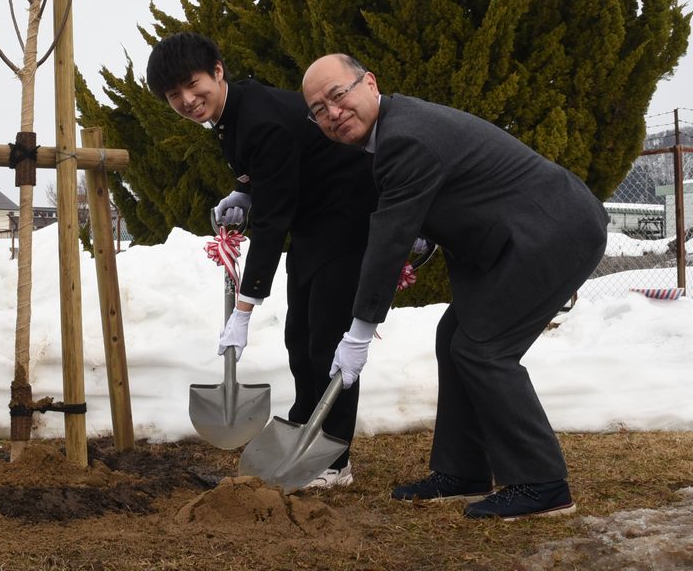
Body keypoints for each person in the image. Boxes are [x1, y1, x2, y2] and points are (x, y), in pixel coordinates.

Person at [301, 53, 609, 520]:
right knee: (454, 338)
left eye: (338, 96)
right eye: (318, 110)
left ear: (369, 82)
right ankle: (462, 471)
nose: (332, 114)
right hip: (513, 236)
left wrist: (359, 332)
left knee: (484, 349)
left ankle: (542, 484)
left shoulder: (403, 137)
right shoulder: (395, 131)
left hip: (551, 232)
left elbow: (387, 242)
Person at [146, 33, 376, 487]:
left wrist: (244, 309)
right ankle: (305, 436)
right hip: (315, 221)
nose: (188, 100)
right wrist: (246, 189)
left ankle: (334, 460)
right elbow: (275, 174)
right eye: (174, 95)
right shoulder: (234, 115)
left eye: (193, 85)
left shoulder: (257, 120)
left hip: (350, 218)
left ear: (217, 70)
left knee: (326, 343)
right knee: (300, 340)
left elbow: (271, 226)